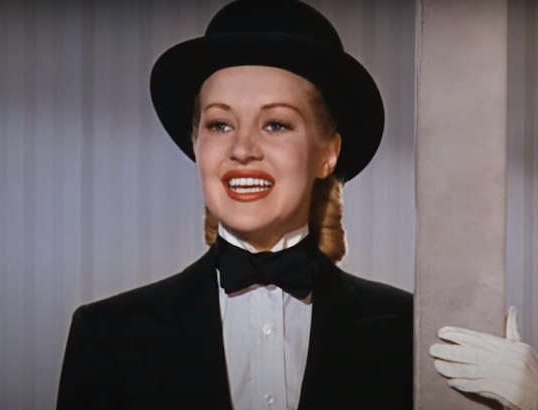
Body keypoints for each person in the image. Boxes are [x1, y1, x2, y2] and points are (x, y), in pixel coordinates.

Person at [56, 0, 538, 409]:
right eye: (220, 124)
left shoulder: (412, 335)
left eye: (276, 124)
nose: (242, 149)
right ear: (196, 145)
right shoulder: (106, 335)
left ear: (327, 153)